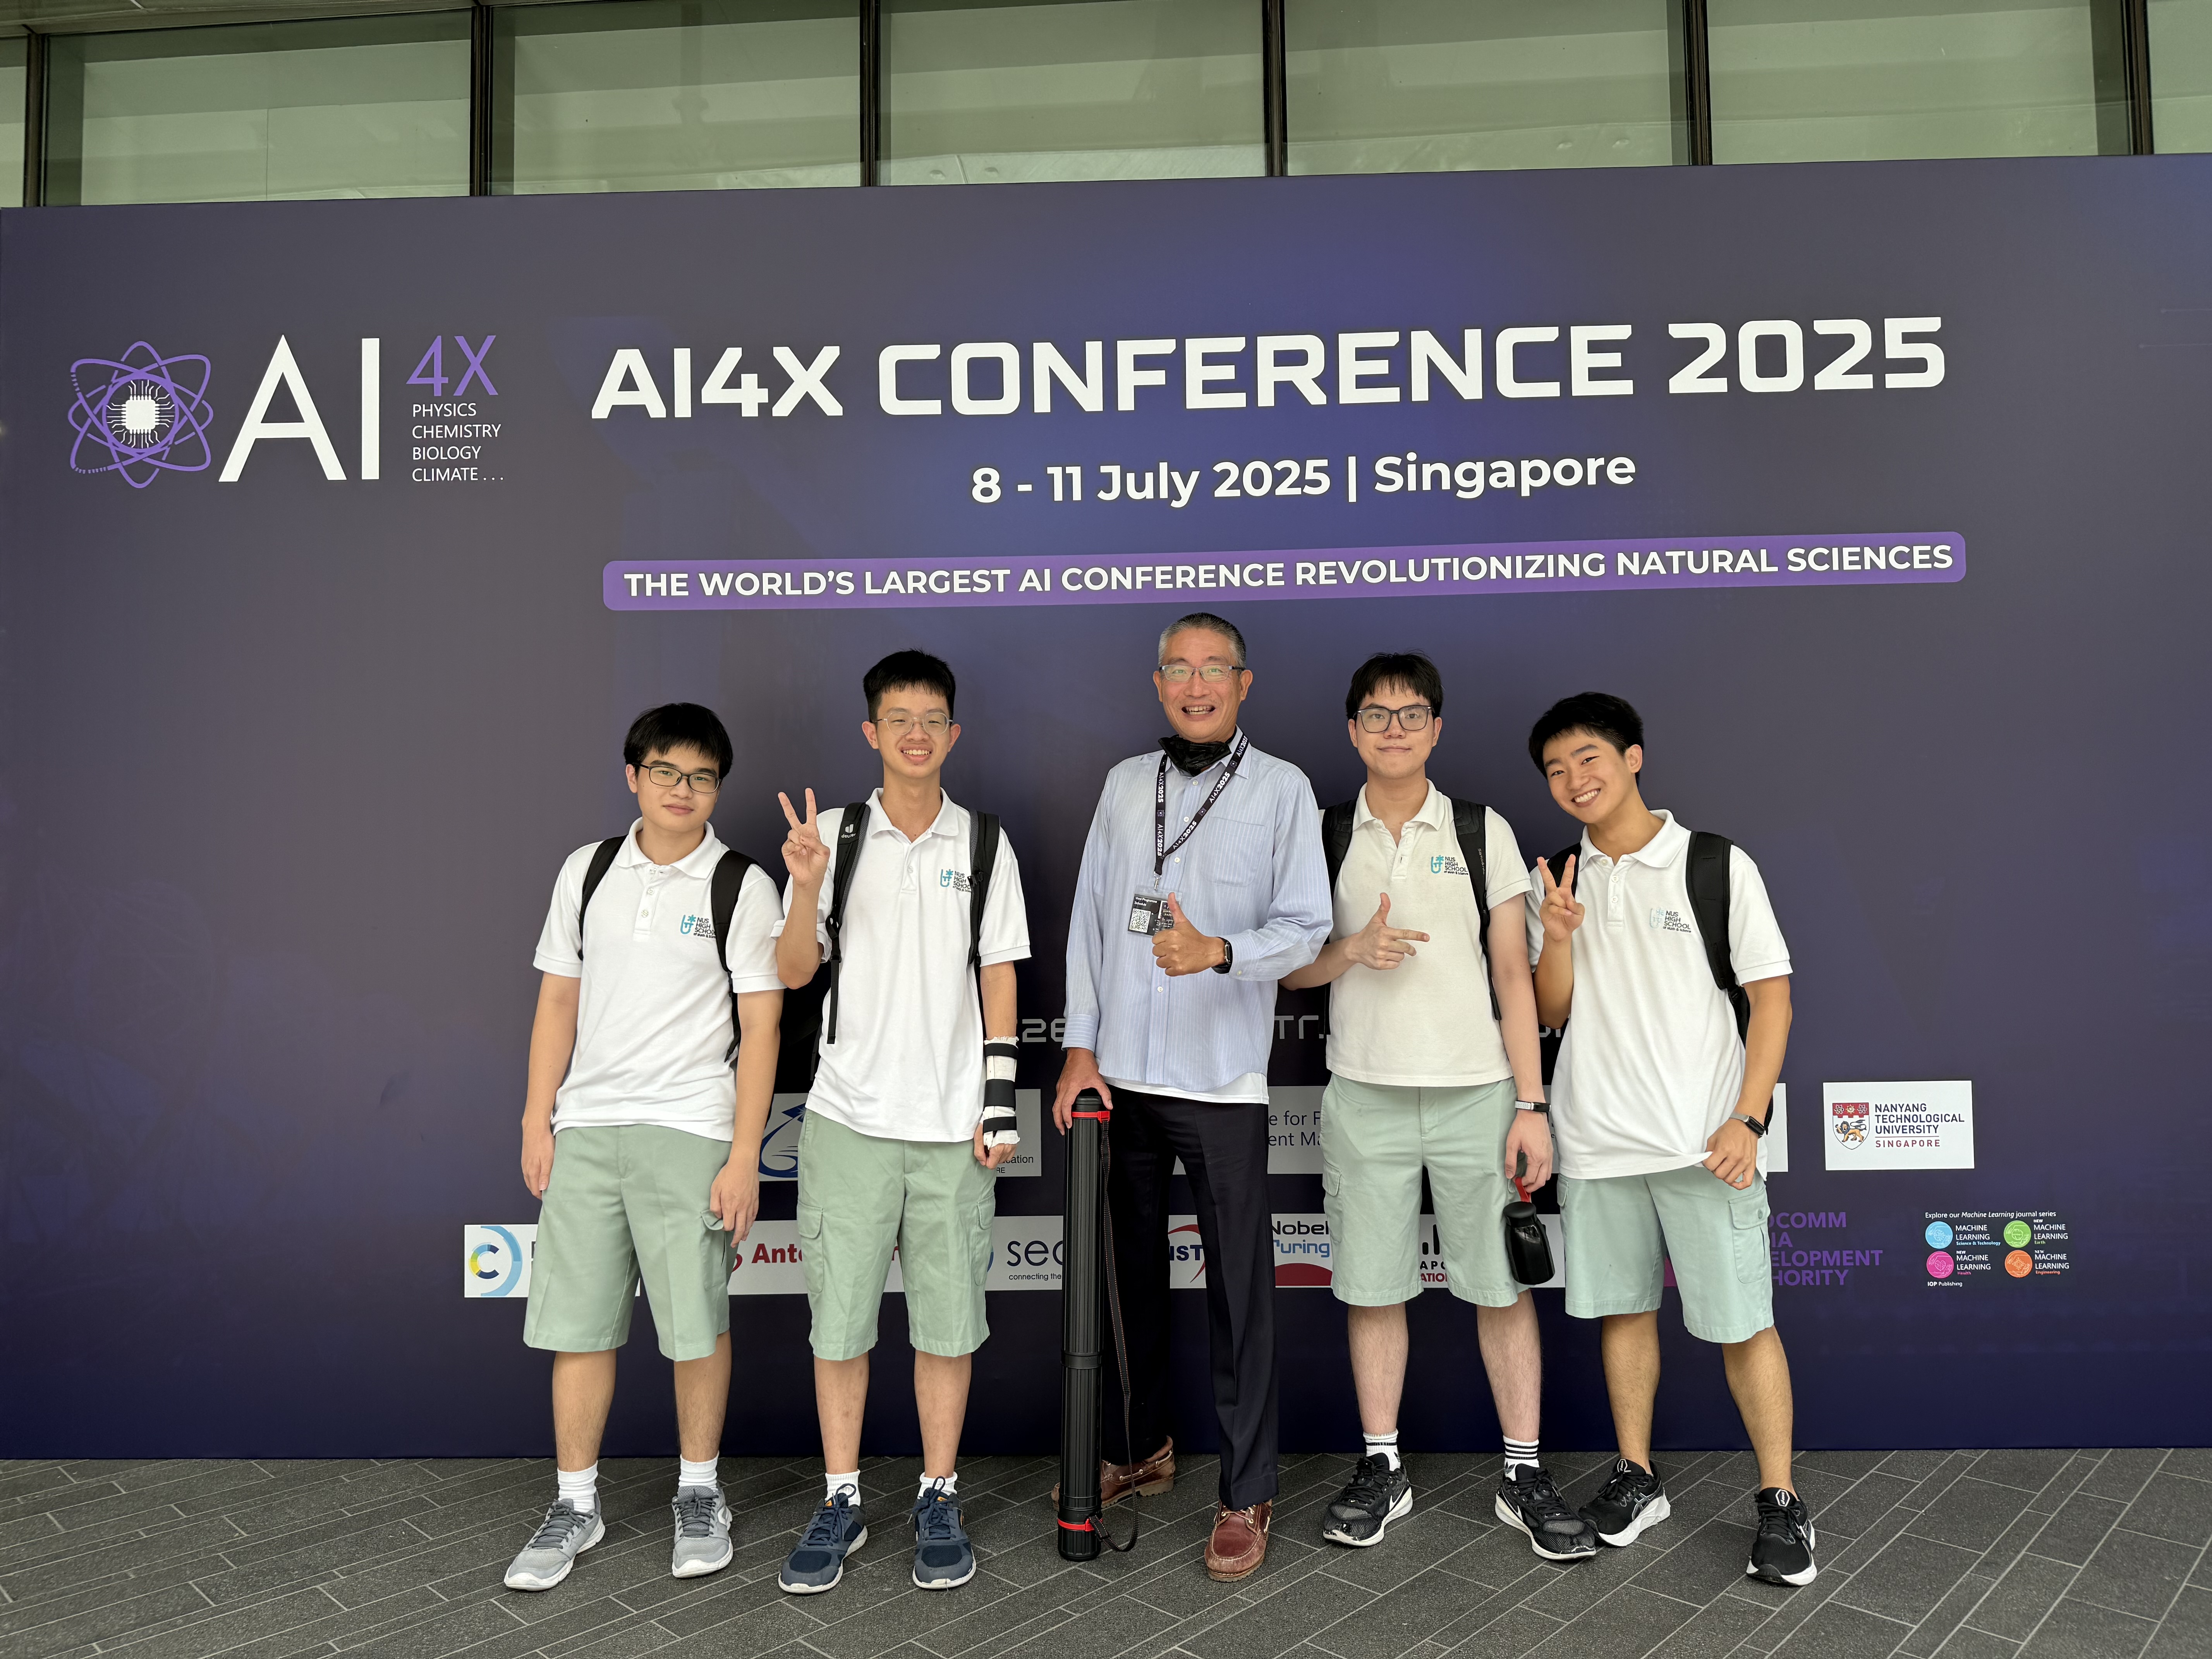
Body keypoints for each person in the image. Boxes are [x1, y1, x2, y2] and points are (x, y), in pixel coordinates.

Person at [1281, 654, 1596, 1561]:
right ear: (1353, 730)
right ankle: (1383, 1466)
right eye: (1377, 715)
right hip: (1364, 1095)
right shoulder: (1323, 832)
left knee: (1500, 1287)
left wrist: (1530, 1102)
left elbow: (1514, 976)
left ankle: (1523, 1473)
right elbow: (1290, 970)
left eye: (1411, 714)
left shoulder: (1479, 829)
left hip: (1477, 1097)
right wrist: (1351, 951)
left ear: (1437, 728)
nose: (1395, 729)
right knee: (1373, 1286)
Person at [1056, 611, 1331, 1583]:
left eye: (1216, 668)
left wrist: (1219, 951)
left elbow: (1307, 928)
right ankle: (1140, 1449)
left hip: (1223, 1078)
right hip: (1120, 1077)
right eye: (1180, 668)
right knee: (1124, 1284)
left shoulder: (1284, 788)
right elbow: (1092, 922)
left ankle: (1247, 1489)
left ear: (1244, 684)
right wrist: (1079, 1049)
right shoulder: (1126, 783)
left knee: (1238, 1298)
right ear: (1159, 683)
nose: (1197, 683)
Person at [1525, 692, 1815, 1587]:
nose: (1574, 780)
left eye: (1588, 758)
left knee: (1744, 1325)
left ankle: (1780, 1500)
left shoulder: (1714, 863)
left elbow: (1773, 998)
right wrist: (1557, 936)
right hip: (1599, 1143)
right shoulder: (1559, 878)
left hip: (1705, 1144)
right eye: (1556, 770)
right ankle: (1637, 1477)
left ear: (1633, 757)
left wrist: (1749, 1118)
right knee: (1625, 1314)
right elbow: (1551, 1010)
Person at [505, 703, 785, 1593]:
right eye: (666, 771)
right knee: (579, 1327)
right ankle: (575, 1504)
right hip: (588, 1128)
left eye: (702, 777)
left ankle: (700, 1494)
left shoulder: (742, 883)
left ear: (718, 789)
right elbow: (557, 1002)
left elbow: (763, 1026)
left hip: (693, 1129)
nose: (682, 790)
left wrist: (744, 1155)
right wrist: (537, 1119)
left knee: (696, 1326)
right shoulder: (587, 872)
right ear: (634, 775)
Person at [770, 650, 1030, 1597]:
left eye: (931, 719)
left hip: (954, 1124)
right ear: (871, 732)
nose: (915, 734)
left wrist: (999, 1100)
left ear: (952, 734)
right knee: (839, 1326)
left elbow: (999, 972)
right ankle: (840, 1498)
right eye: (897, 719)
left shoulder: (986, 843)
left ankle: (938, 1494)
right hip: (848, 1118)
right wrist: (805, 885)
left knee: (947, 1327)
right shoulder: (836, 837)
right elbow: (794, 972)